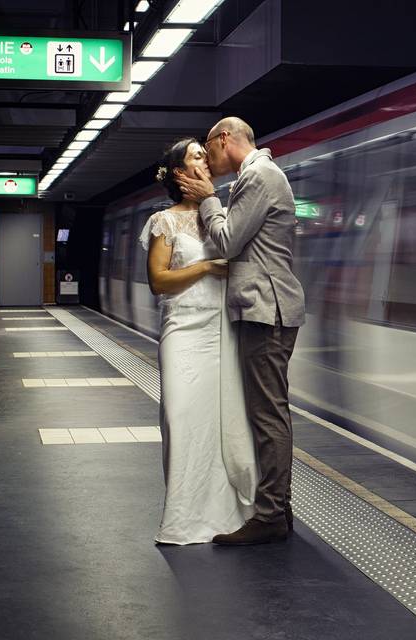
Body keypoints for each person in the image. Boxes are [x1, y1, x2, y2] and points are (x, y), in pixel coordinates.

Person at [176, 117, 305, 545]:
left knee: (267, 414)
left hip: (266, 311)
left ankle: (270, 515)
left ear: (224, 139)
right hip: (263, 309)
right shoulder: (258, 176)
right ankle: (277, 508)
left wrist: (209, 198)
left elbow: (226, 242)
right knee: (267, 412)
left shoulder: (260, 177)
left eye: (208, 149)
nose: (208, 160)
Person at [140, 138, 257, 544]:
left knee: (221, 422)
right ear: (179, 172)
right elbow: (159, 281)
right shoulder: (164, 222)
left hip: (220, 329)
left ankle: (224, 511)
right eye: (196, 156)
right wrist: (207, 266)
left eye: (206, 156)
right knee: (180, 417)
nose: (205, 161)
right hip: (183, 330)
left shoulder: (220, 214)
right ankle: (183, 516)